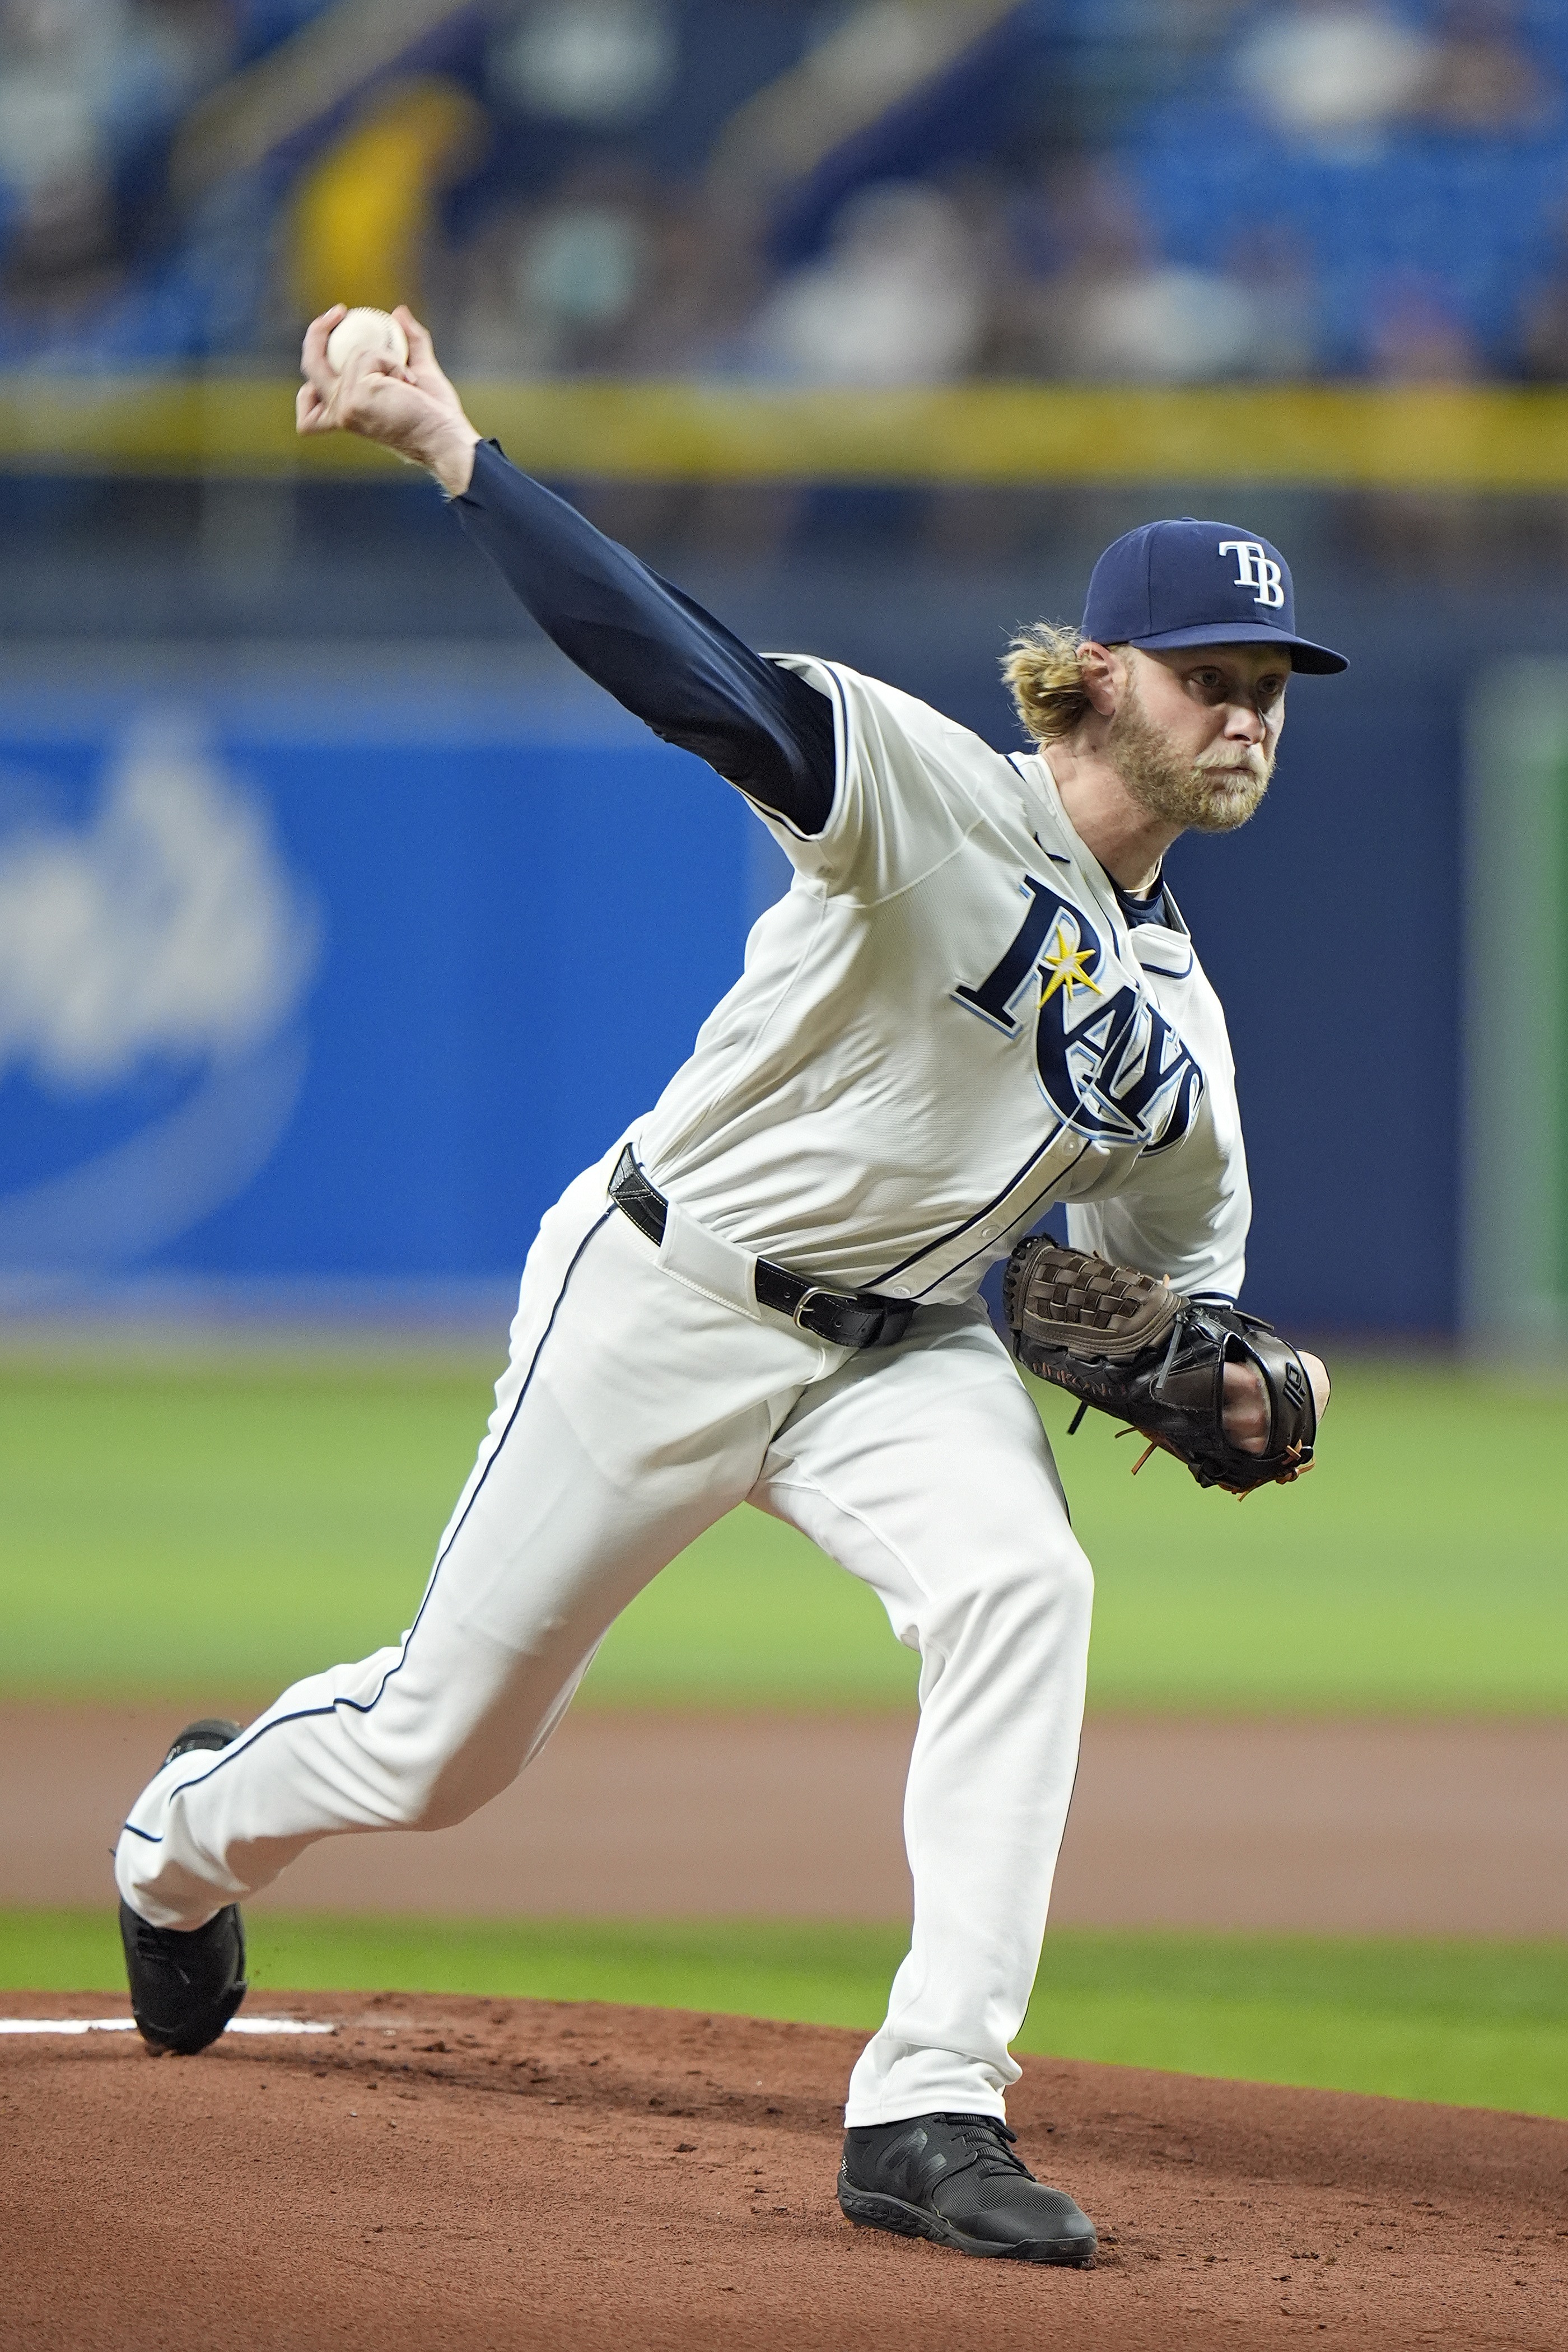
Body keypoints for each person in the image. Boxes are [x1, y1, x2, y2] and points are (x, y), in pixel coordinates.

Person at [115, 305, 1337, 2270]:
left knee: (1025, 1584)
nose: (1252, 714)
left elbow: (1174, 1302)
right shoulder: (932, 790)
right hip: (666, 1296)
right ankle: (179, 1844)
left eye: (1276, 683)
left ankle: (932, 2100)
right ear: (1097, 678)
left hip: (900, 1358)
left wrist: (1226, 1384)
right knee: (444, 1752)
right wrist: (457, 452)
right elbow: (681, 669)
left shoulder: (1184, 1039)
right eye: (1215, 675)